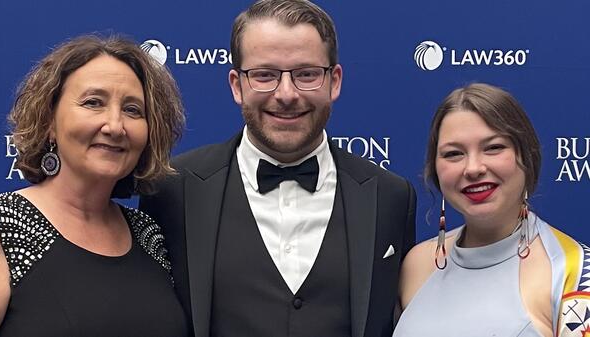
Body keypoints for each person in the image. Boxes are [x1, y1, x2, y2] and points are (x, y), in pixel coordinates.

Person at [139, 0, 416, 336]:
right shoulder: (173, 190)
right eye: (264, 75)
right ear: (236, 85)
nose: (286, 94)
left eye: (307, 74)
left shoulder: (390, 196)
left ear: (335, 81)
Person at [0, 35, 188, 336]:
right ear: (49, 123)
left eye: (133, 110)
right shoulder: (0, 227)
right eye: (93, 103)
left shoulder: (149, 235)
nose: (115, 126)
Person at [393, 83, 590, 337]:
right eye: (454, 154)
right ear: (435, 168)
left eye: (493, 147)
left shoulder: (574, 272)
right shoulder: (416, 265)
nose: (473, 168)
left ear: (527, 157)